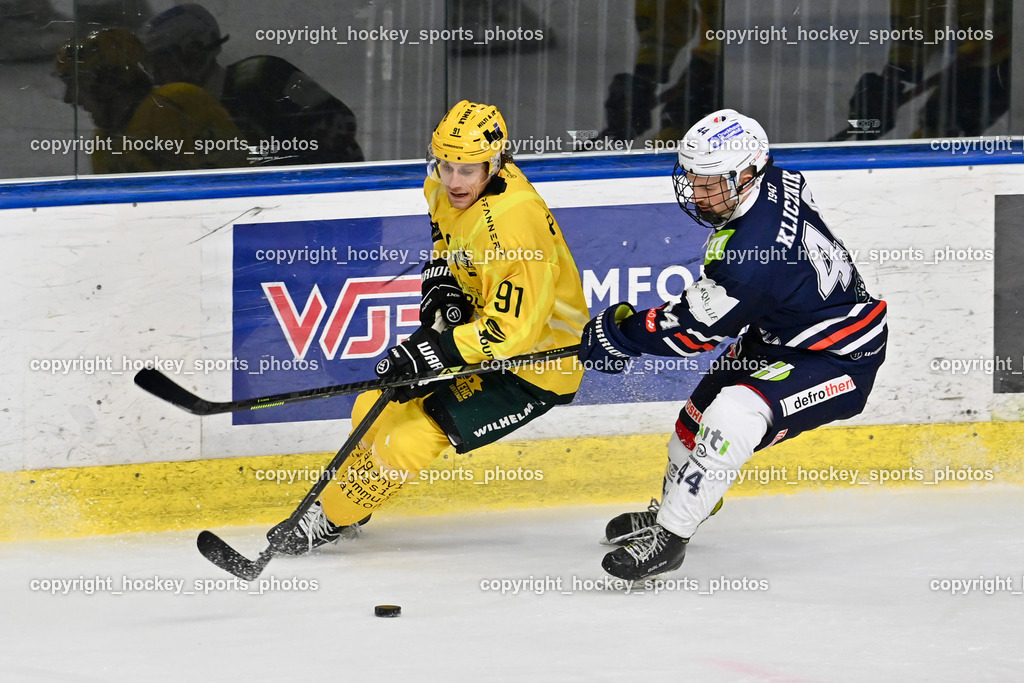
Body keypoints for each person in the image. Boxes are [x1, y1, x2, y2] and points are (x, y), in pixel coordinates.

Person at [581, 109, 888, 581]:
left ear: (748, 173)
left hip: (839, 355)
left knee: (733, 413)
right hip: (776, 335)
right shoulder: (777, 180)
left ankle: (671, 537)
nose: (697, 194)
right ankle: (679, 506)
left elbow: (692, 331)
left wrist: (621, 334)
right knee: (691, 427)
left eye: (711, 183)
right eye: (693, 179)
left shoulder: (751, 259)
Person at [270, 100, 589, 554]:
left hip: (535, 366)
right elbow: (446, 236)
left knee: (406, 439)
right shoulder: (444, 186)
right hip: (481, 336)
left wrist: (432, 351)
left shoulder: (514, 226)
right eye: (446, 165)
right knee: (371, 406)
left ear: (496, 163)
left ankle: (332, 517)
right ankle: (349, 505)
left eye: (468, 170)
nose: (454, 181)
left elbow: (513, 334)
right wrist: (442, 282)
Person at [140, 3, 364, 165]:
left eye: (163, 62)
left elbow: (340, 122)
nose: (156, 75)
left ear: (194, 52)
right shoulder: (173, 115)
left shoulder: (264, 76)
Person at [54, 27, 246, 173]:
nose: (69, 98)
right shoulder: (103, 144)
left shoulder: (177, 102)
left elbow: (234, 180)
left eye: (77, 85)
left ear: (109, 82)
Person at [847, 0, 1010, 139]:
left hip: (1007, 54)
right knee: (940, 125)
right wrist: (889, 84)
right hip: (992, 53)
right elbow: (914, 33)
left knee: (946, 122)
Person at [600, 0, 723, 142]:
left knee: (680, 139)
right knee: (673, 140)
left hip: (717, 66)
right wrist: (645, 77)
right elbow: (666, 8)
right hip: (712, 65)